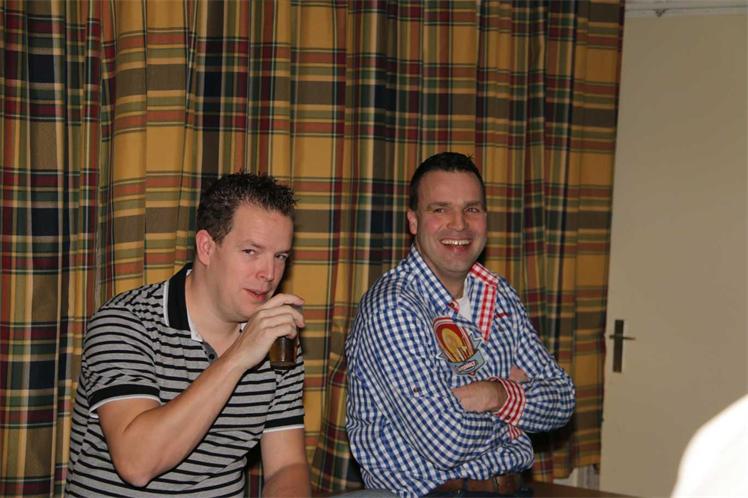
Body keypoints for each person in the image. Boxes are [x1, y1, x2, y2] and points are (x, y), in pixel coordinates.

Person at [345, 152, 576, 497]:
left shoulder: (498, 294)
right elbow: (445, 442)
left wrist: (494, 394)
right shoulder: (393, 306)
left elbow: (563, 399)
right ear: (413, 221)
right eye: (440, 209)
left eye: (472, 209)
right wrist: (518, 411)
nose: (459, 224)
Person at [65, 173, 310, 497]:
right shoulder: (125, 321)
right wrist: (238, 357)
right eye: (251, 251)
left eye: (280, 256)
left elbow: (286, 467)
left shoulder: (278, 339)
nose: (269, 274)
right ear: (206, 247)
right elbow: (137, 464)